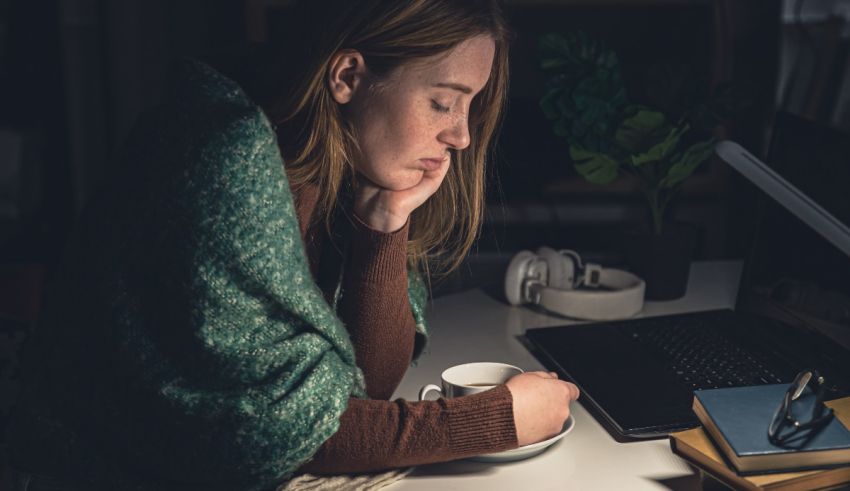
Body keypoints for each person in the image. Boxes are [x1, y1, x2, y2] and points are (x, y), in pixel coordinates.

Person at [7, 1, 579, 489]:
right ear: (348, 76)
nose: (461, 135)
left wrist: (384, 222)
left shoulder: (335, 159)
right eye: (443, 101)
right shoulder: (225, 157)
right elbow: (271, 430)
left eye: (469, 105)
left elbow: (364, 388)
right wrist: (489, 421)